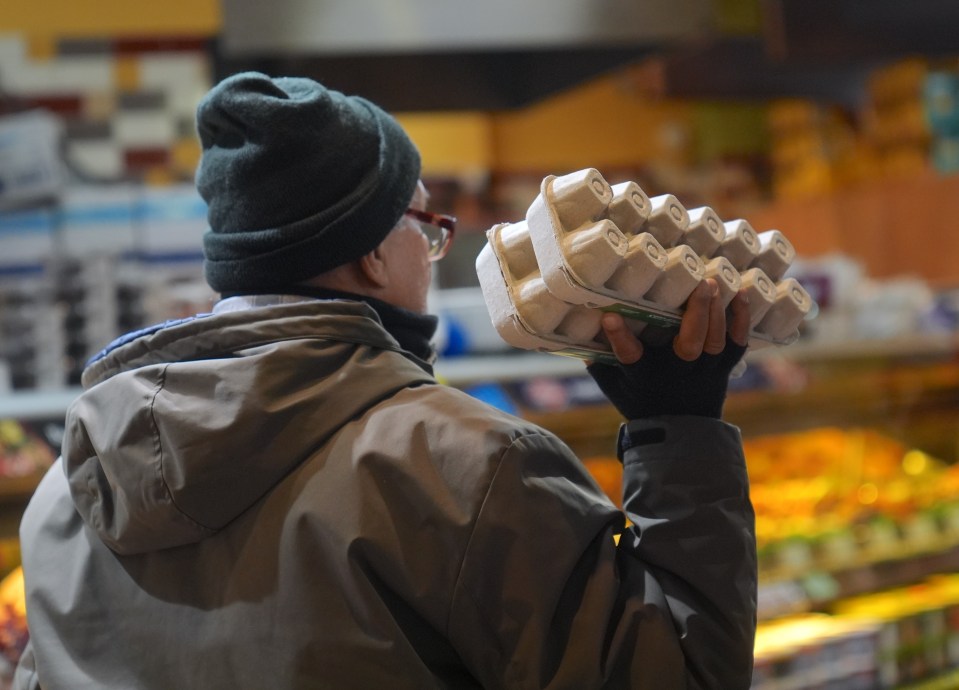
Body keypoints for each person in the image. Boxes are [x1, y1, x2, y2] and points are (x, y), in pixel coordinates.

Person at [14, 72, 756, 689]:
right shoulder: (468, 467)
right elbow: (678, 675)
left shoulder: (71, 487)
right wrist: (680, 433)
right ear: (372, 252)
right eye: (427, 226)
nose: (432, 252)